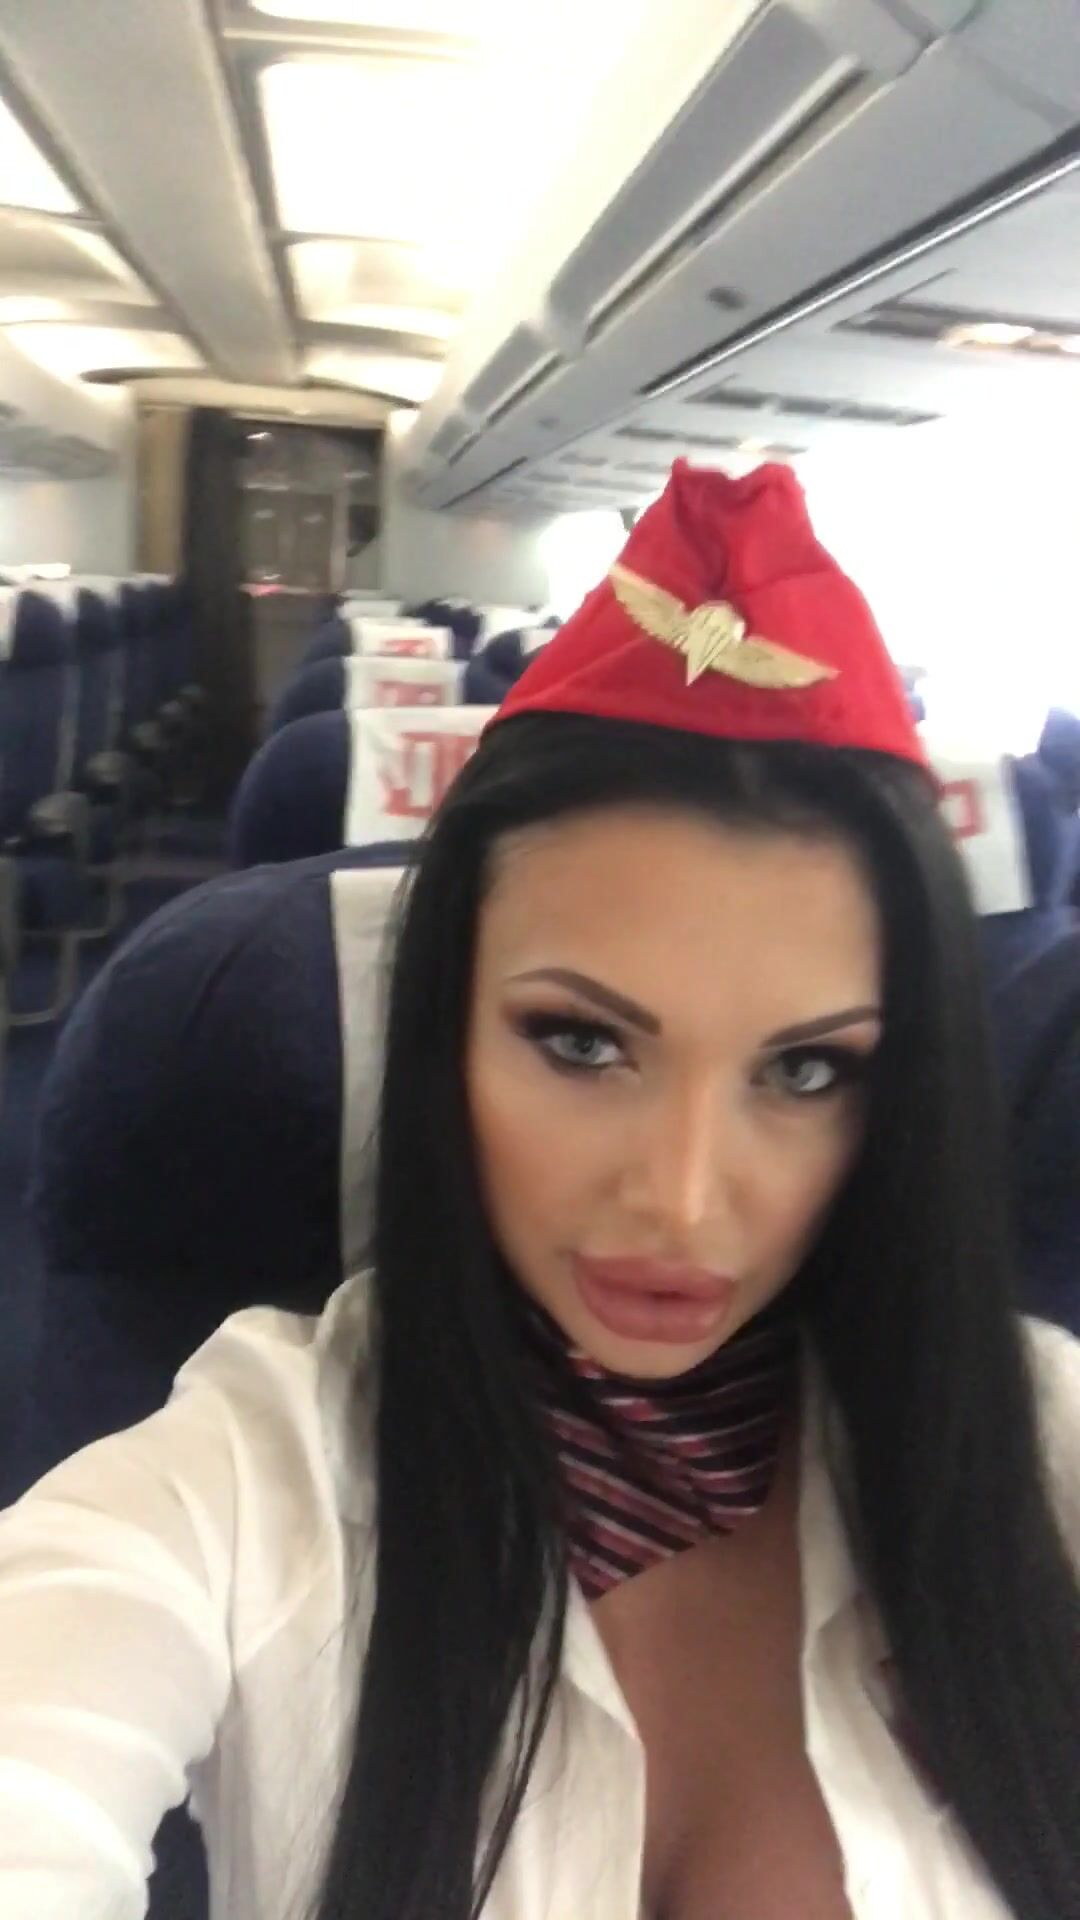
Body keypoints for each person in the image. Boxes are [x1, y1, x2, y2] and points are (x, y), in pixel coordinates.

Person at [0, 461, 1078, 1920]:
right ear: (441, 1027)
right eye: (581, 1044)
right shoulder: (255, 1479)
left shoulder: (1035, 1444)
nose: (683, 1202)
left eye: (806, 1070)